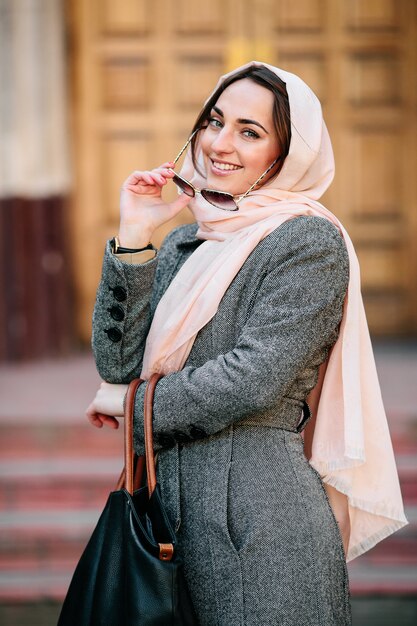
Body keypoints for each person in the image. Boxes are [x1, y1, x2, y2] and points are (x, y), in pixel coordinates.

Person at [86, 61, 407, 626]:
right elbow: (116, 362)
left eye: (249, 132)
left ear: (285, 157)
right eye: (214, 121)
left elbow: (252, 378)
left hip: (258, 525)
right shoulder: (189, 240)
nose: (219, 143)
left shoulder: (308, 242)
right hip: (163, 518)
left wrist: (133, 403)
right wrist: (135, 238)